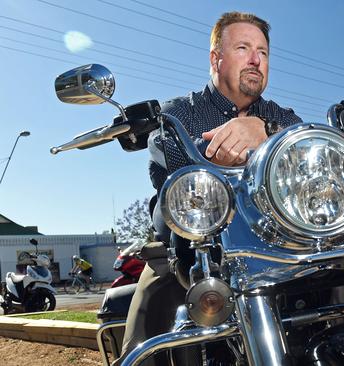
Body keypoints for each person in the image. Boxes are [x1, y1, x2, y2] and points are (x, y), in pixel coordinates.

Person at [114, 11, 303, 365]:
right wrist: (225, 156)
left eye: (263, 52)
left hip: (274, 250)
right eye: (243, 48)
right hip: (187, 251)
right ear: (216, 58)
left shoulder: (282, 117)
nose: (255, 60)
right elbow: (178, 169)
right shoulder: (175, 115)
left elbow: (304, 148)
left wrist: (264, 129)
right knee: (143, 343)